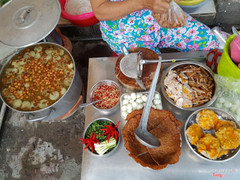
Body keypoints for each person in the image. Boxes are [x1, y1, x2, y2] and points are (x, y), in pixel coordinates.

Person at [90, 0, 219, 55]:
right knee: (151, 75)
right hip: (126, 32)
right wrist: (143, 2)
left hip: (161, 16)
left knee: (211, 44)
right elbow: (100, 10)